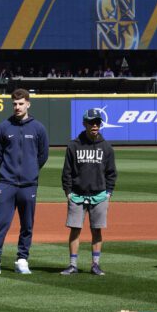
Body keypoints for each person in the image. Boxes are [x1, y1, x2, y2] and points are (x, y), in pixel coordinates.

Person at [0, 88, 49, 275]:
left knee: (27, 224)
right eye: (15, 104)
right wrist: (7, 169)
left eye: (21, 104)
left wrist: (32, 170)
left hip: (29, 185)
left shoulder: (38, 128)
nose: (17, 107)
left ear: (28, 104)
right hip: (7, 183)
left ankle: (22, 259)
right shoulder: (4, 127)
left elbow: (43, 155)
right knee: (0, 222)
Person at [60, 108, 117, 276]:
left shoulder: (106, 147)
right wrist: (68, 192)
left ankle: (96, 264)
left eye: (97, 122)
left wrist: (108, 193)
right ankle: (73, 265)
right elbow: (67, 172)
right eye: (91, 122)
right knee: (75, 229)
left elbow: (111, 172)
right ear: (84, 124)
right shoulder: (74, 145)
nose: (95, 125)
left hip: (99, 195)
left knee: (97, 230)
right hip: (77, 195)